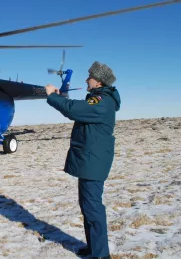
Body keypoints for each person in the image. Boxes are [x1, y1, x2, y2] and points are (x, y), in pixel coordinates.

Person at [45, 61, 121, 259]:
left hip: (93, 162)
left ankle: (101, 255)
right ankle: (94, 248)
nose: (86, 80)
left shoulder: (102, 102)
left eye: (90, 77)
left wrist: (52, 96)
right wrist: (63, 95)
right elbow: (77, 107)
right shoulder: (99, 100)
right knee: (87, 205)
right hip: (90, 160)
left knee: (93, 207)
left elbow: (73, 110)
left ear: (98, 81)